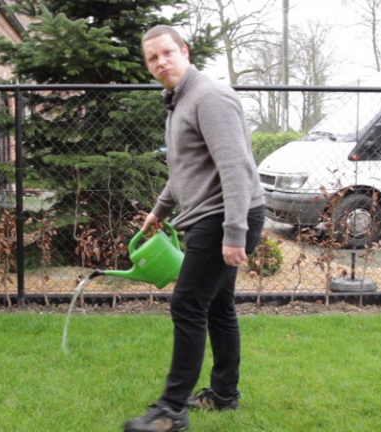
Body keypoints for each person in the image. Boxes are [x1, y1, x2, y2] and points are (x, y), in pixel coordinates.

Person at [123, 25, 265, 432]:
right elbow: (185, 168)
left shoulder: (209, 96)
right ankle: (223, 394)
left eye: (167, 53)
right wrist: (158, 210)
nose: (161, 62)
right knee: (218, 308)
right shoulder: (179, 101)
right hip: (212, 215)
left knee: (187, 304)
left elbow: (235, 167)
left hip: (223, 218)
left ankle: (171, 411)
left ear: (185, 51)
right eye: (152, 58)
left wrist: (235, 233)